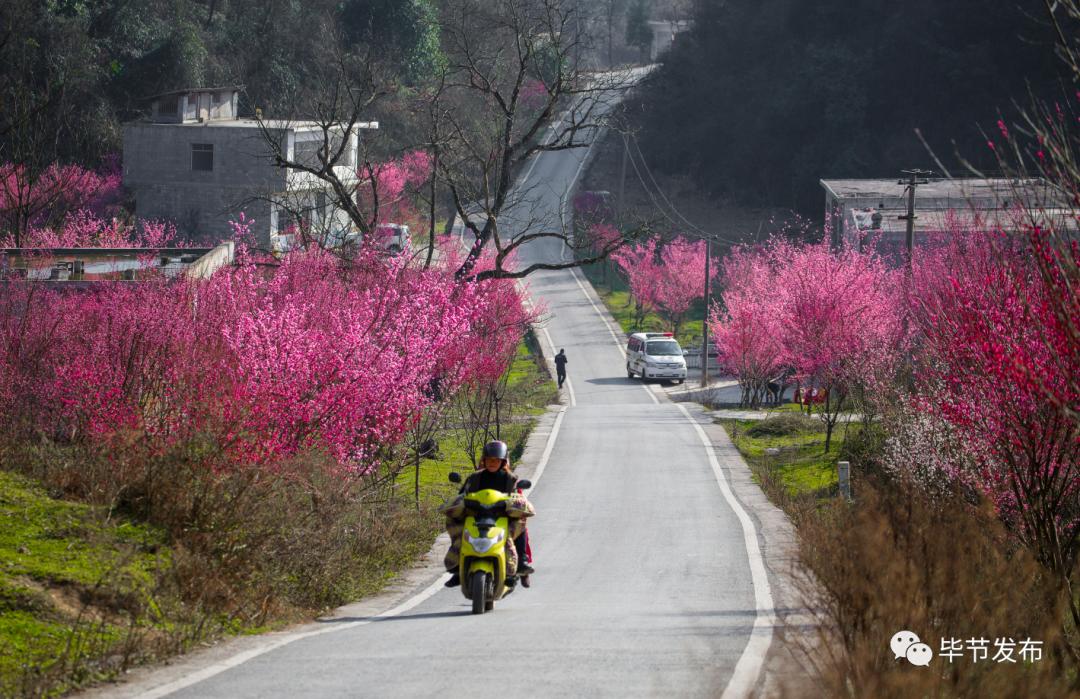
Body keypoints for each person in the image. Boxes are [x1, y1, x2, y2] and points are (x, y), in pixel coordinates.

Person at [443, 440, 534, 588]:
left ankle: (522, 563)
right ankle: (458, 569)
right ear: (483, 460)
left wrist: (513, 504)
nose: (492, 462)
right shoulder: (474, 478)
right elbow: (462, 495)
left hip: (503, 517)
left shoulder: (510, 479)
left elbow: (519, 499)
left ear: (503, 462)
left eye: (496, 460)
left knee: (520, 524)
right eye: (489, 459)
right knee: (456, 527)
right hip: (476, 516)